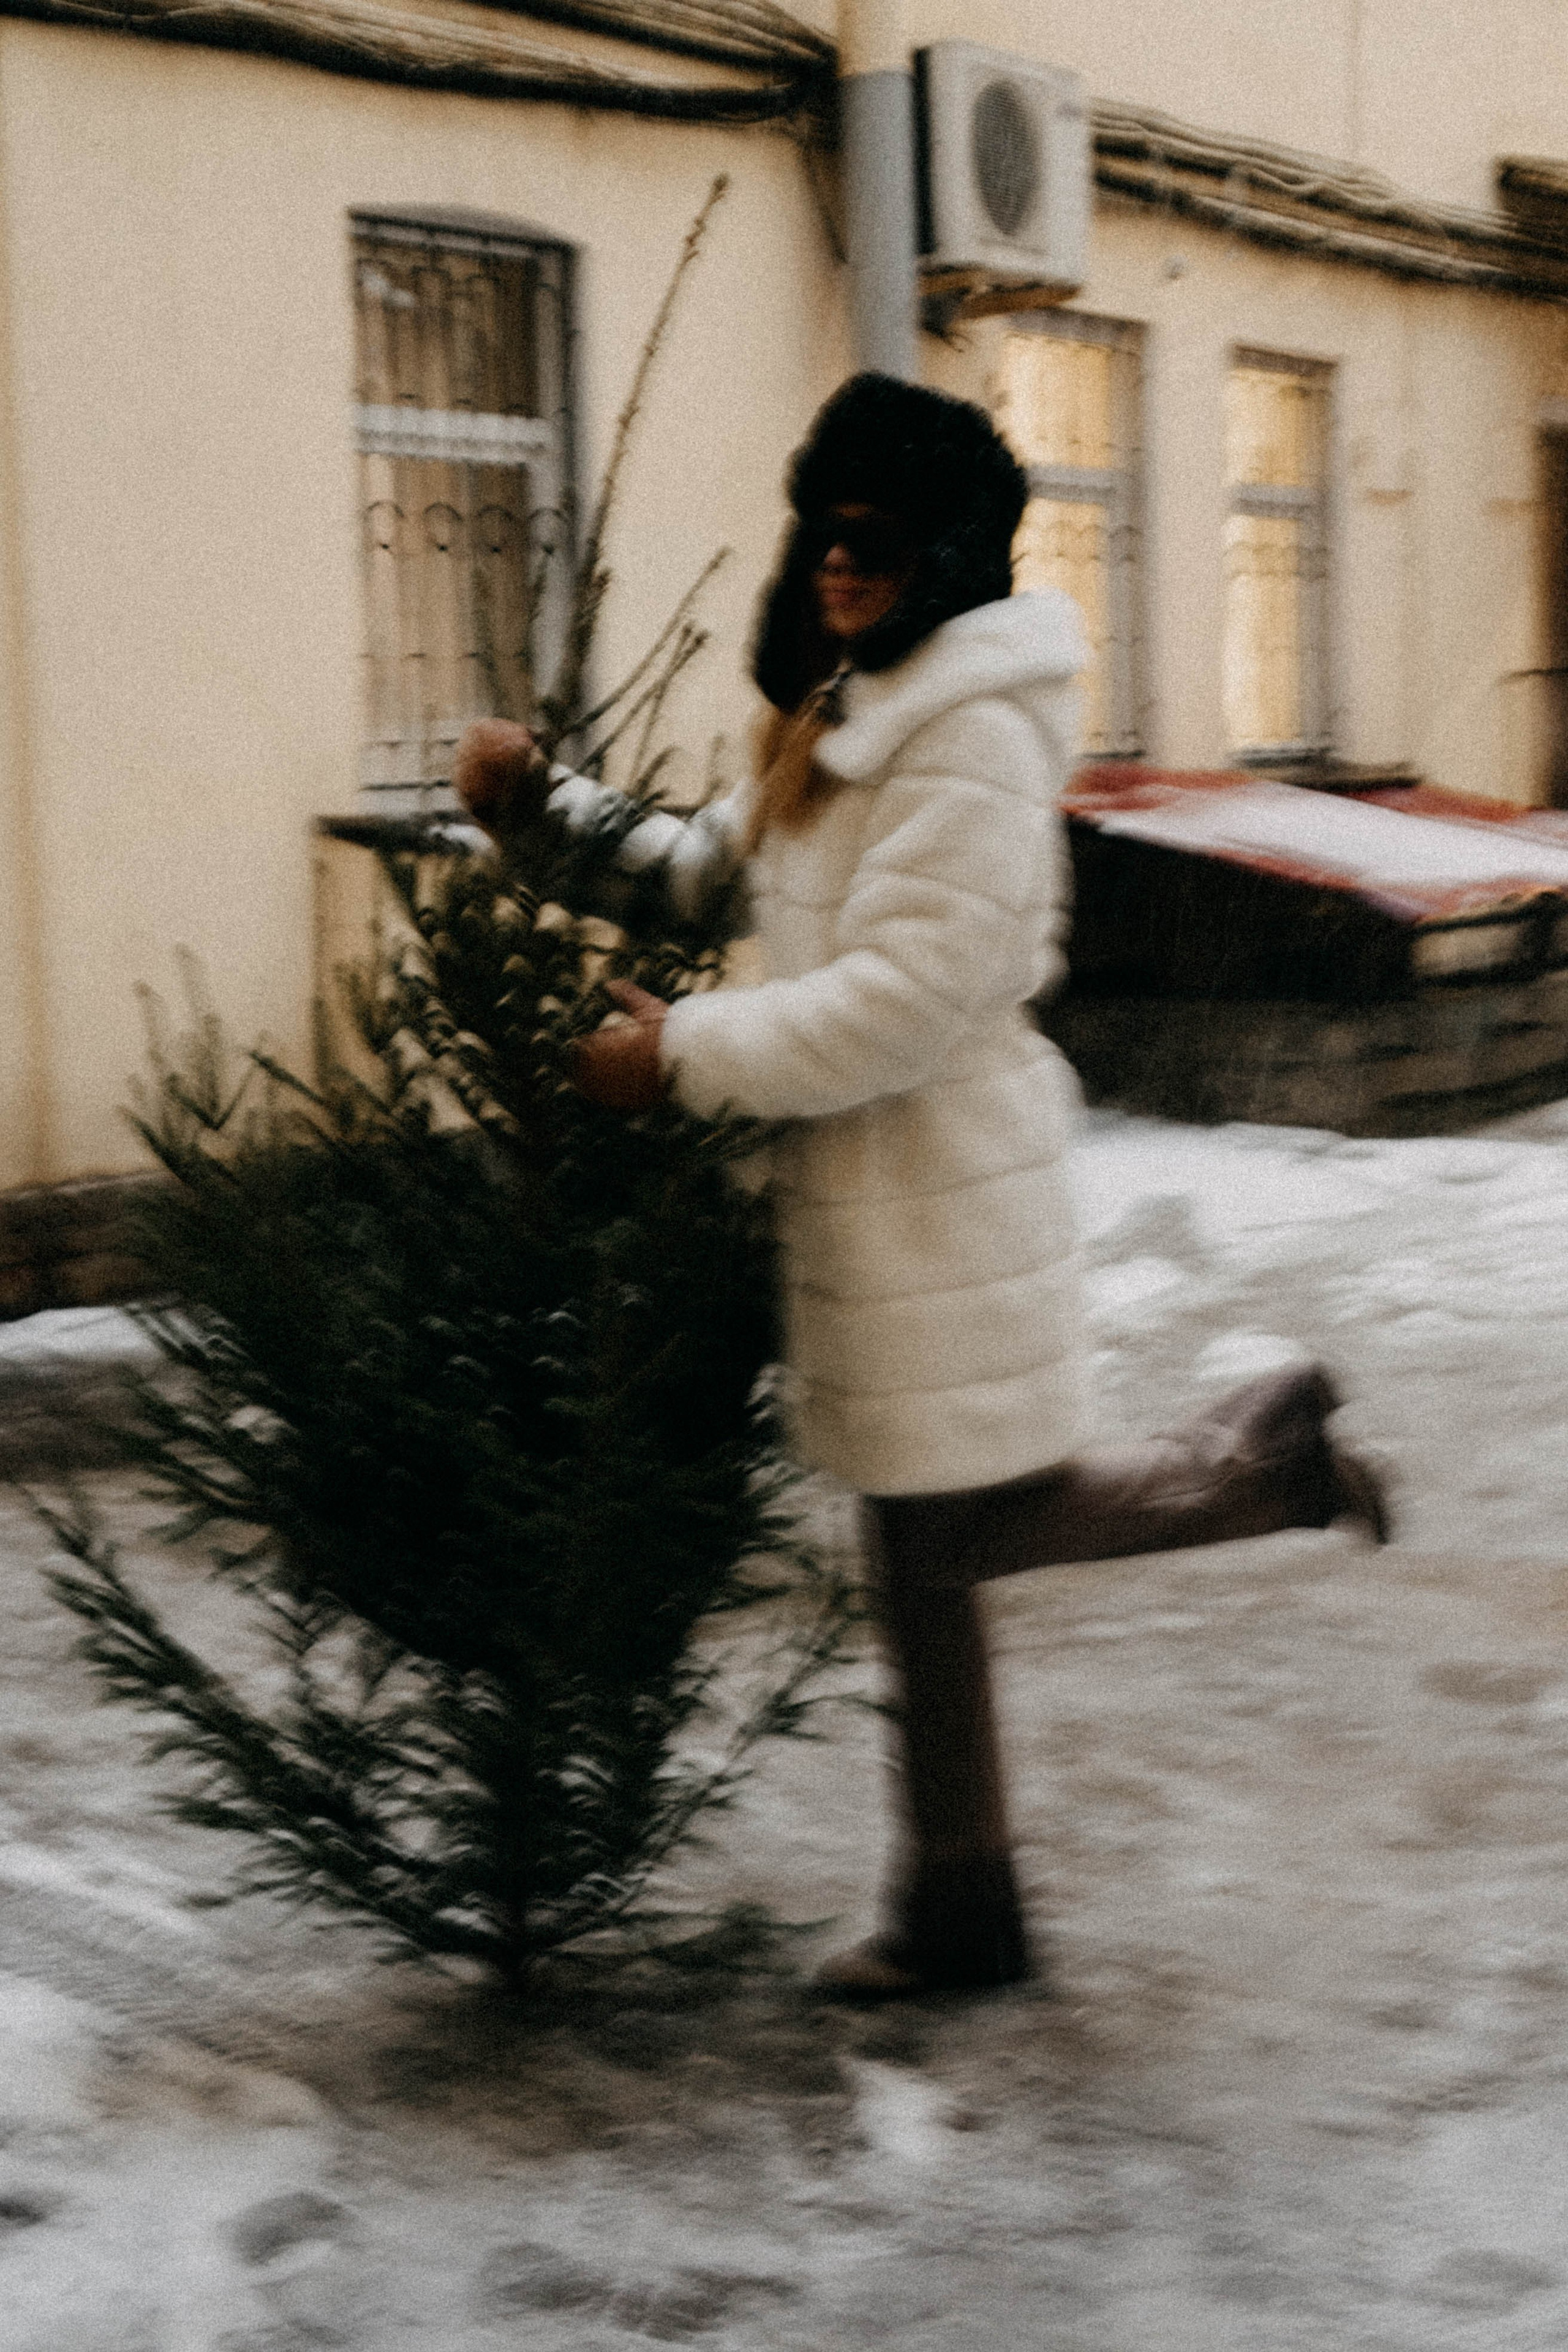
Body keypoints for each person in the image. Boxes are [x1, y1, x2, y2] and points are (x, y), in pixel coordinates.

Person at [453, 371, 1388, 2000]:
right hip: (865, 1192)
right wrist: (546, 814)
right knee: (923, 1542)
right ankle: (963, 1897)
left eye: (875, 538)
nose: (837, 561)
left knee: (955, 1531)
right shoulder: (847, 705)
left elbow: (900, 1006)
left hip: (937, 1187)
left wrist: (677, 1058)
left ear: (946, 554)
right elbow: (705, 874)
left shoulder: (967, 737)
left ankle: (1255, 1477)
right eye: (823, 529)